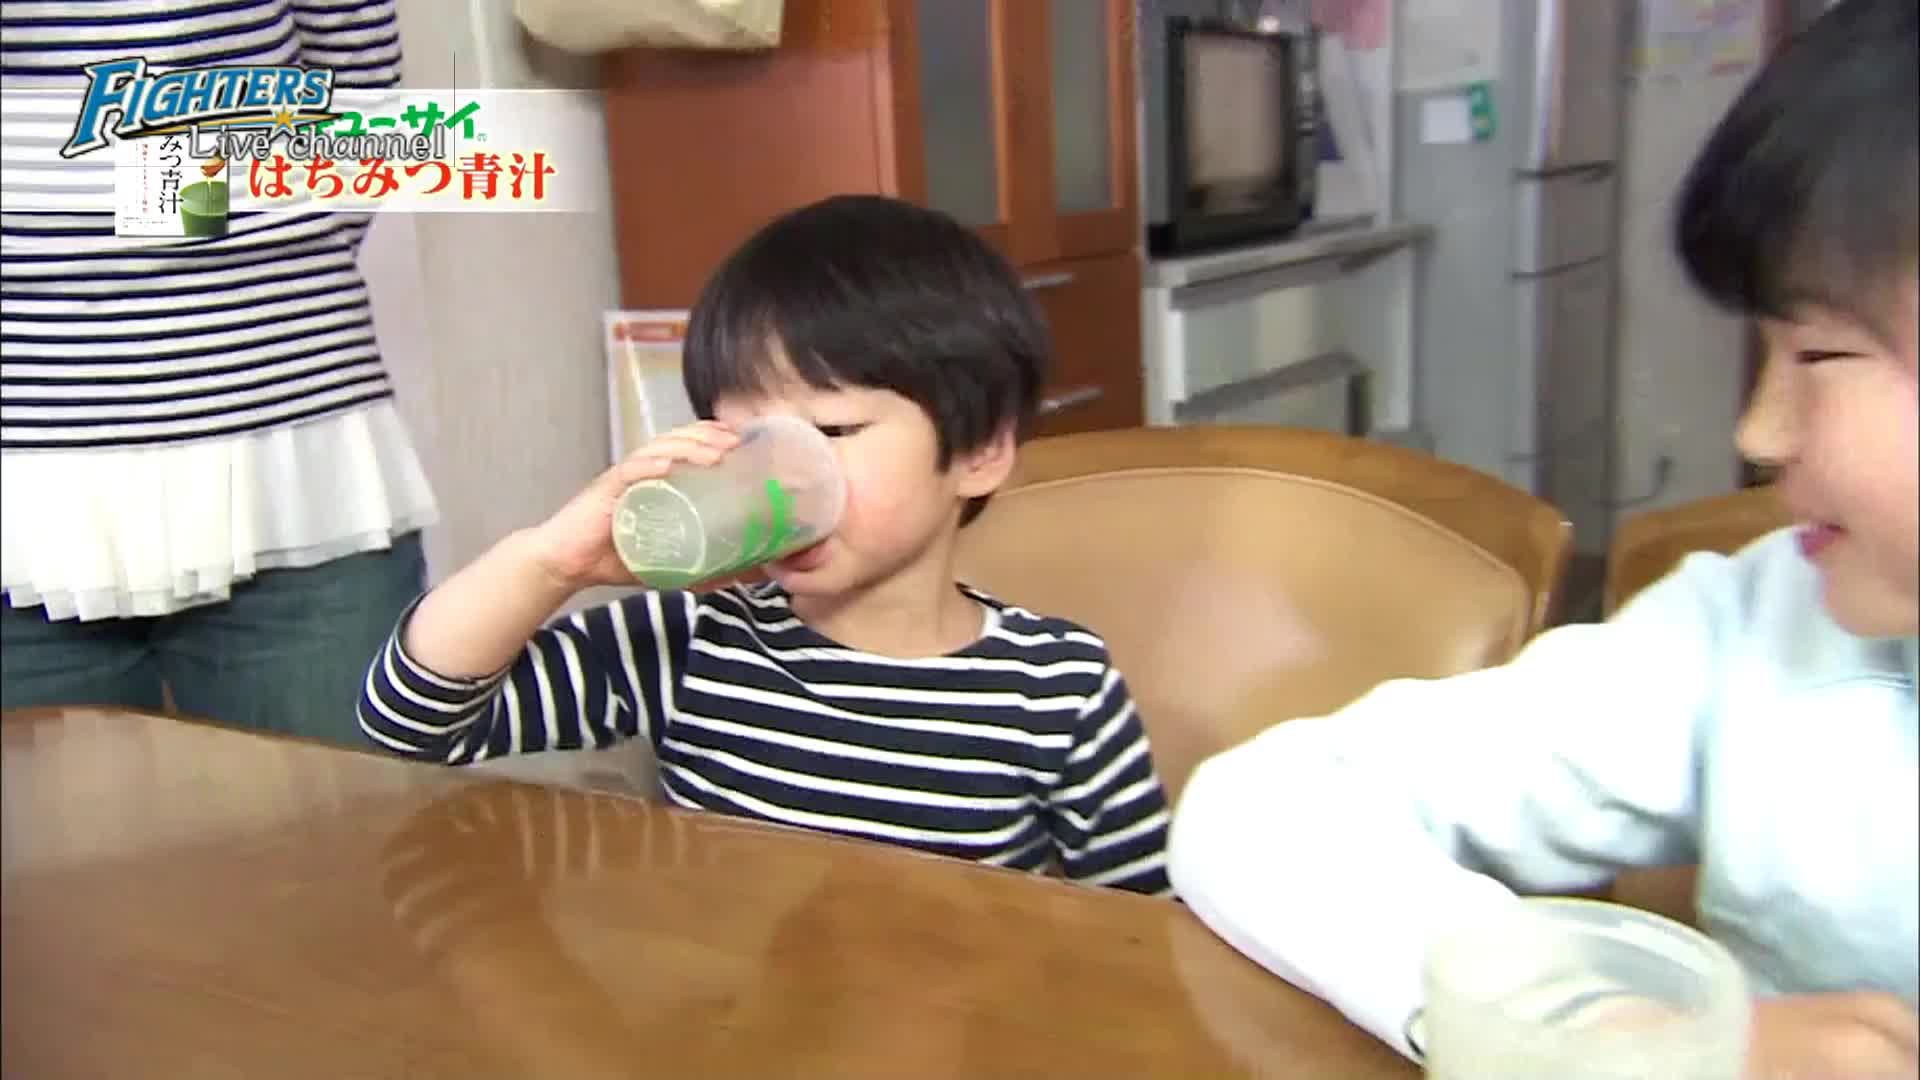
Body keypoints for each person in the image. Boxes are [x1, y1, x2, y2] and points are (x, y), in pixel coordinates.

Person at [1167, 0, 1918, 1076]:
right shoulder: (1749, 634)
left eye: (1821, 355)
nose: (1756, 434)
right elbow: (1262, 809)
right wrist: (1594, 1032)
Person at [358, 195, 1173, 896]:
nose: (779, 478)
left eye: (831, 430)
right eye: (746, 441)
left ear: (978, 453)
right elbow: (412, 726)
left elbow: (1149, 931)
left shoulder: (1054, 688)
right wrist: (552, 561)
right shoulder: (694, 639)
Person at [0, 1, 438, 744]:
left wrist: (261, 269)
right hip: (22, 488)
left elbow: (357, 71)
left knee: (353, 813)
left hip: (292, 447)